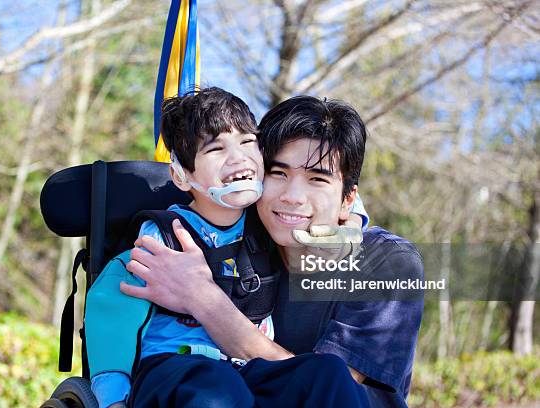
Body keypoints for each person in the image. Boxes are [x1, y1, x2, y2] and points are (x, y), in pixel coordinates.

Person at [121, 96, 424, 407]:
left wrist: (201, 296)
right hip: (219, 389)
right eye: (278, 174)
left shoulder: (389, 265)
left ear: (347, 199)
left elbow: (327, 390)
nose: (292, 197)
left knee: (325, 374)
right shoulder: (243, 233)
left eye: (317, 179)